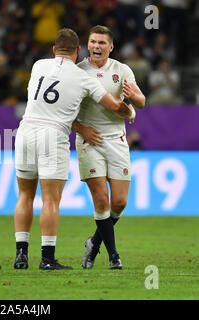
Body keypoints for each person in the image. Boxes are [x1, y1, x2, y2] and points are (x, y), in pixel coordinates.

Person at [13, 28, 136, 271]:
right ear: (79, 50)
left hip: (25, 130)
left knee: (25, 195)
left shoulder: (38, 65)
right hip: (53, 134)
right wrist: (130, 111)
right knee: (50, 200)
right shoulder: (83, 77)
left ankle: (20, 255)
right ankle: (47, 258)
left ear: (53, 49)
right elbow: (115, 106)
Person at [72, 25, 146, 270]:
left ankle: (93, 242)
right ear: (88, 44)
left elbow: (141, 101)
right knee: (101, 200)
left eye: (102, 43)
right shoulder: (78, 71)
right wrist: (82, 130)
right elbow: (63, 112)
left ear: (111, 47)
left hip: (117, 139)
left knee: (120, 203)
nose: (96, 46)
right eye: (93, 42)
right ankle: (113, 256)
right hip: (89, 140)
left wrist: (133, 98)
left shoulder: (121, 70)